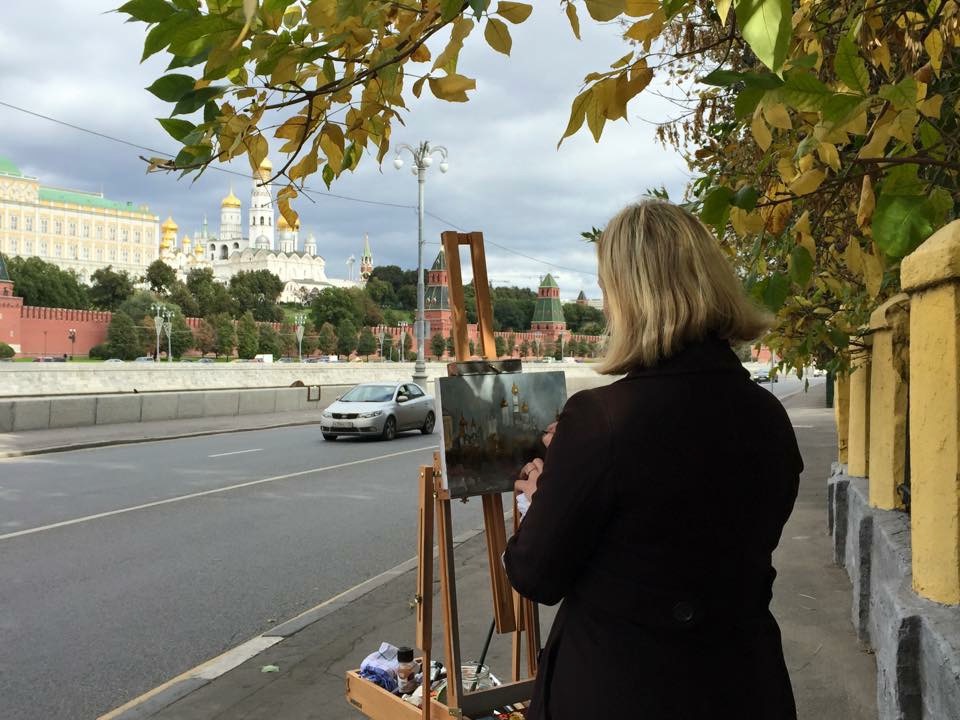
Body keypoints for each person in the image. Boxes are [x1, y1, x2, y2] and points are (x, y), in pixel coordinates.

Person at [504, 200, 802, 720]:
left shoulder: (602, 418)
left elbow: (535, 575)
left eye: (606, 288)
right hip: (746, 685)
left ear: (631, 297)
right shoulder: (768, 414)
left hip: (625, 687)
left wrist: (539, 498)